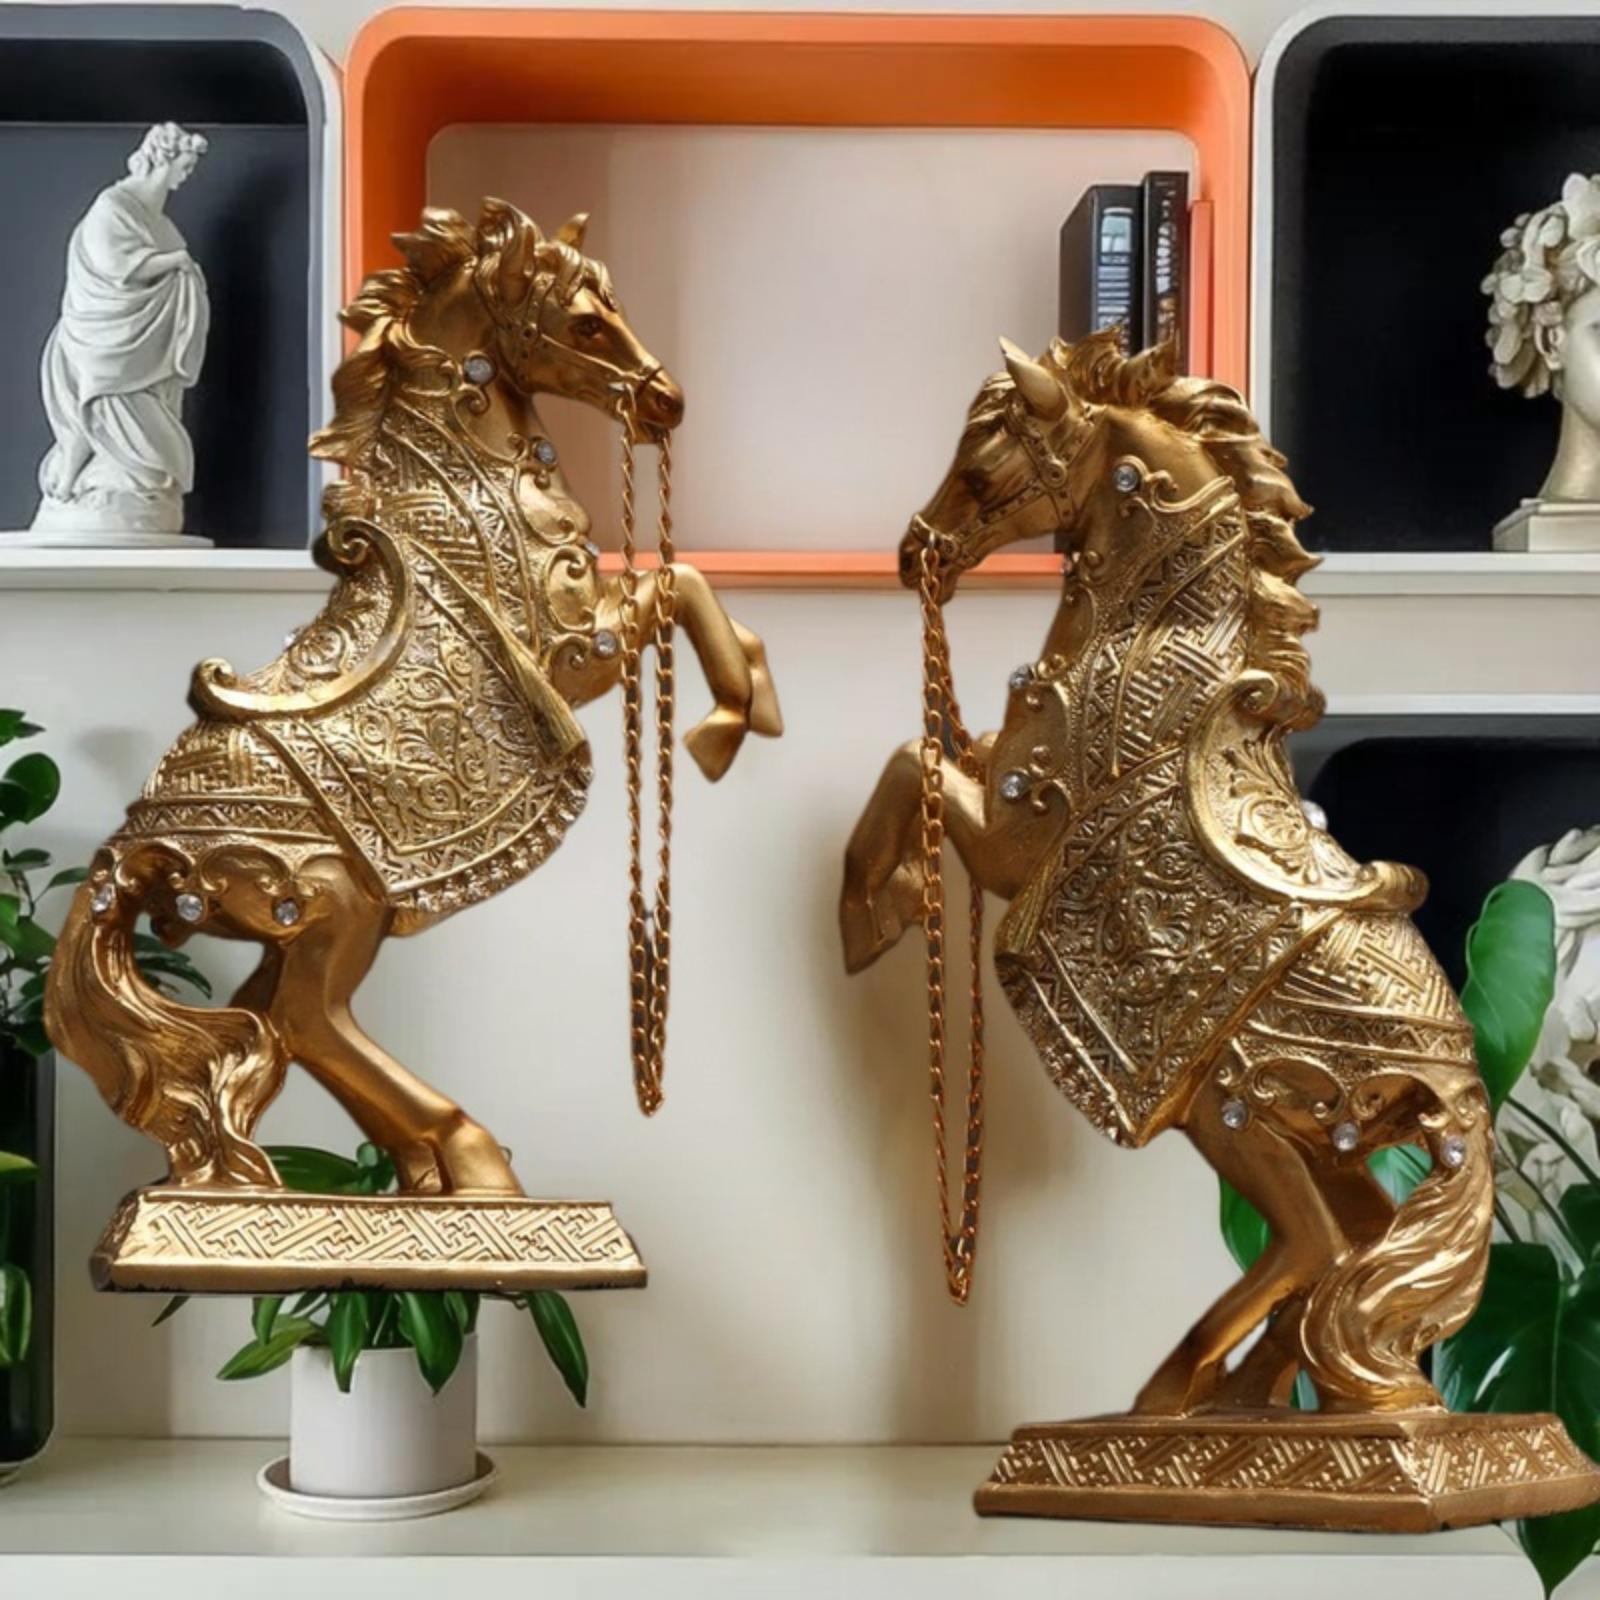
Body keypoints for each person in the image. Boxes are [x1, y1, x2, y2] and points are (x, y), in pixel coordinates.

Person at [30, 122, 210, 542]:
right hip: (102, 331)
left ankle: (120, 479)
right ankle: (72, 477)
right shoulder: (112, 207)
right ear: (162, 160)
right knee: (99, 396)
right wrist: (176, 262)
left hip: (144, 338)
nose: (185, 175)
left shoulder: (161, 224)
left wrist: (182, 273)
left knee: (138, 415)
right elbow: (118, 266)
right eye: (184, 165)